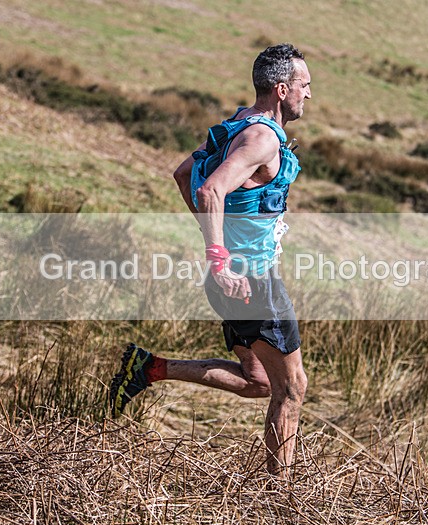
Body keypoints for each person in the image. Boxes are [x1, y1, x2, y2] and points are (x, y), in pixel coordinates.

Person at [109, 43, 311, 476]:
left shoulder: (239, 124)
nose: (308, 94)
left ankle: (150, 368)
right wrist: (222, 259)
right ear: (281, 89)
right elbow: (208, 190)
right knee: (291, 390)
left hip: (233, 283)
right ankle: (282, 502)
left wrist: (217, 249)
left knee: (259, 381)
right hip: (252, 283)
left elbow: (184, 173)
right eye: (304, 85)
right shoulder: (260, 139)